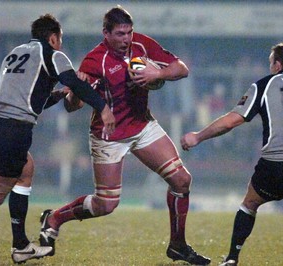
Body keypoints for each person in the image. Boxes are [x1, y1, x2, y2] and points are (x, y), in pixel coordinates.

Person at [0, 14, 115, 264]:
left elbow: (29, 98)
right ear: (53, 37)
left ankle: (20, 244)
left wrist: (59, 95)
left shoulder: (15, 52)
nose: (60, 44)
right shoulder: (52, 54)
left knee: (25, 169)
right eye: (59, 39)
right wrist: (103, 108)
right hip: (12, 130)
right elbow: (74, 82)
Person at [38, 6, 211, 265]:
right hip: (109, 135)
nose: (126, 39)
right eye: (120, 34)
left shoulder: (141, 44)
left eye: (129, 32)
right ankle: (54, 219)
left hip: (142, 126)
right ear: (105, 33)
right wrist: (75, 91)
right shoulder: (95, 61)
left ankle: (178, 245)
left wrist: (159, 73)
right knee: (105, 205)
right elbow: (71, 106)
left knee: (182, 181)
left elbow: (182, 68)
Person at [181, 42, 283, 266]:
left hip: (276, 163)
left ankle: (232, 258)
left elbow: (233, 120)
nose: (270, 66)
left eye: (271, 62)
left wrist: (198, 136)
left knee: (249, 204)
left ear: (278, 65)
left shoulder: (264, 85)